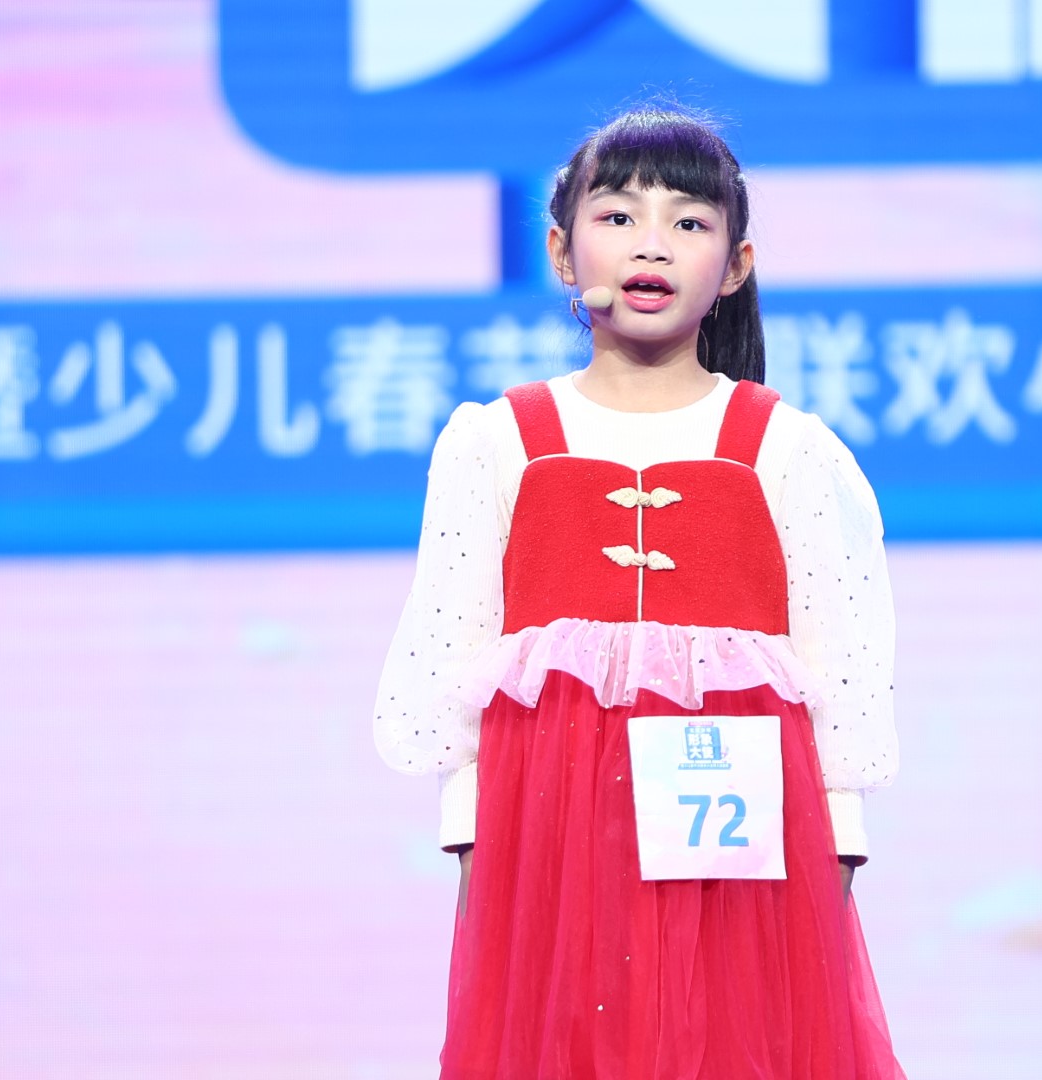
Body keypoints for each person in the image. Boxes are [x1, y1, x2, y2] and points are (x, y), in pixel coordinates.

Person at [374, 105, 903, 1080]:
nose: (651, 245)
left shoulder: (788, 448)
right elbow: (455, 662)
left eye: (689, 222)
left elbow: (843, 677)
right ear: (561, 252)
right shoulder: (496, 443)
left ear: (735, 266)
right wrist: (478, 859)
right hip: (546, 855)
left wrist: (834, 864)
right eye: (618, 217)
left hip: (749, 875)